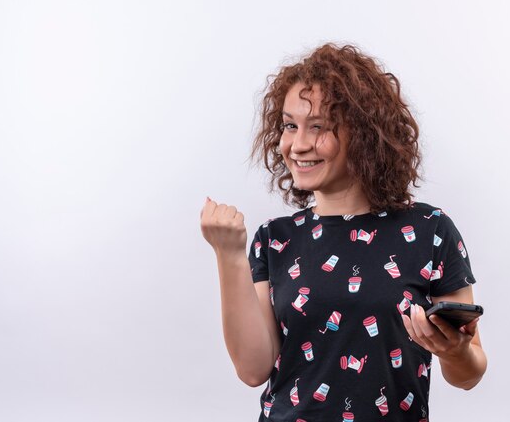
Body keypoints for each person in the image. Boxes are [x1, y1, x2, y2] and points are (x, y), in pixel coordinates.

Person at [200, 43, 487, 421]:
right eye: (290, 125)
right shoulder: (276, 238)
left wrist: (454, 352)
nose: (297, 145)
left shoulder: (430, 230)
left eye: (318, 127)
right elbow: (253, 369)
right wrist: (229, 255)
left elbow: (469, 374)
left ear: (366, 133)